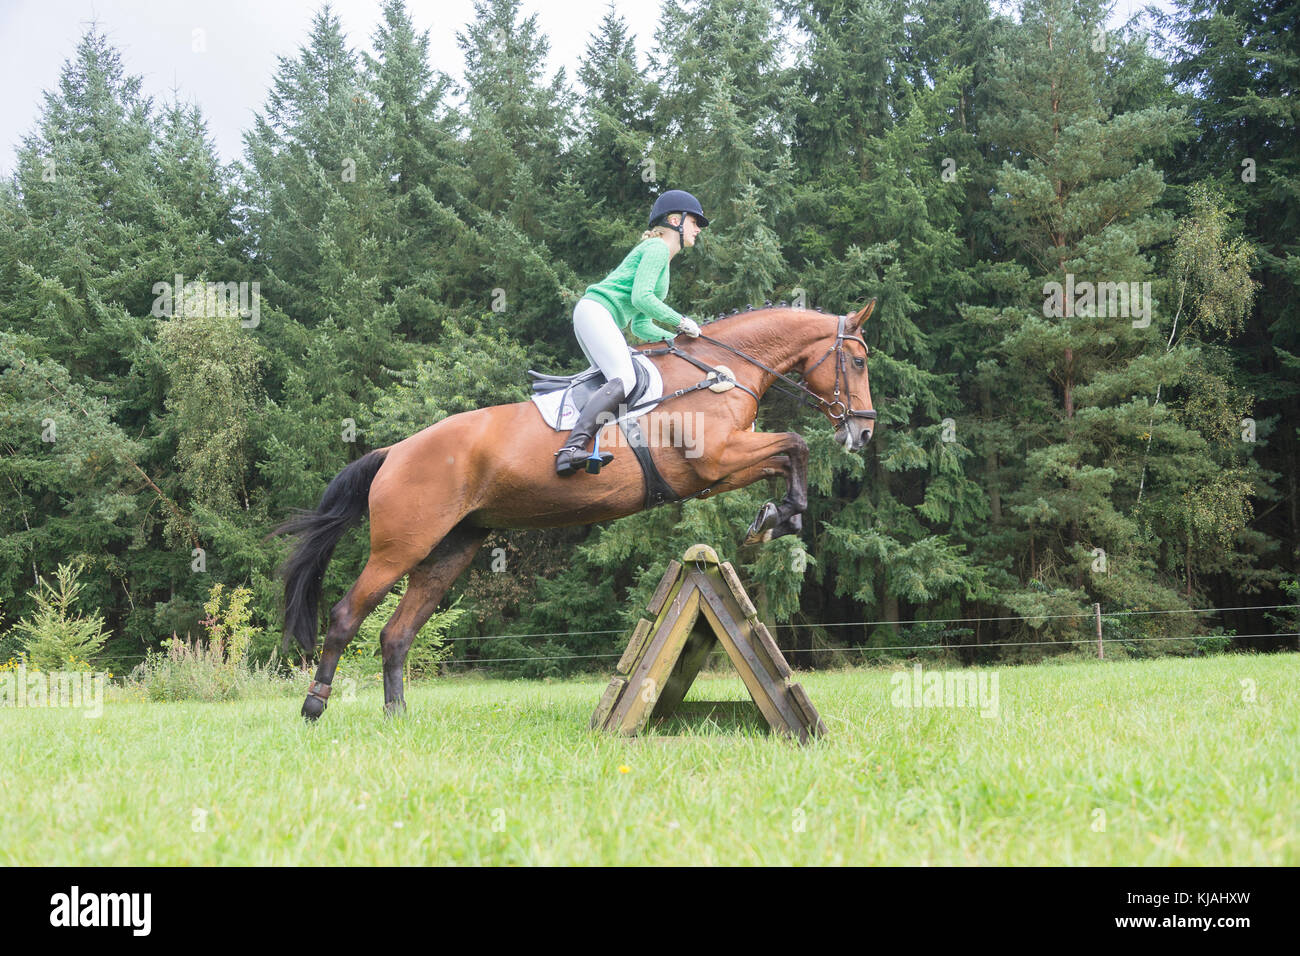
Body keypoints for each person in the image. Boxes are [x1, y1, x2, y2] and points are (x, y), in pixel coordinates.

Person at [554, 189, 708, 477]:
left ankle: (578, 445)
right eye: (694, 222)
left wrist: (677, 341)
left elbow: (639, 324)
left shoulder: (663, 258)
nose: (698, 229)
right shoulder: (658, 248)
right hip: (596, 311)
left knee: (613, 385)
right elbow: (642, 299)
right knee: (624, 378)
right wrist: (681, 322)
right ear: (675, 220)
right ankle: (571, 448)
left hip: (597, 315)